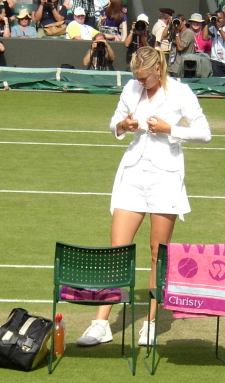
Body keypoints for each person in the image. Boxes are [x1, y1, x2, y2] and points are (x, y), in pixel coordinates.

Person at [76, 45, 211, 348]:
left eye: (145, 79)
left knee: (156, 253)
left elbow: (204, 132)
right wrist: (124, 125)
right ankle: (100, 324)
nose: (140, 83)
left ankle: (149, 324)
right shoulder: (130, 88)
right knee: (116, 250)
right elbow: (115, 124)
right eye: (136, 78)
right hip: (132, 176)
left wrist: (169, 129)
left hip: (165, 178)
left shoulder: (180, 92)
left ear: (158, 70)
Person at [202, 10, 225, 76]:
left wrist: (219, 29)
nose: (218, 20)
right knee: (218, 83)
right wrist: (206, 22)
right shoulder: (213, 28)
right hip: (216, 61)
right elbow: (205, 37)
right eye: (217, 19)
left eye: (220, 18)